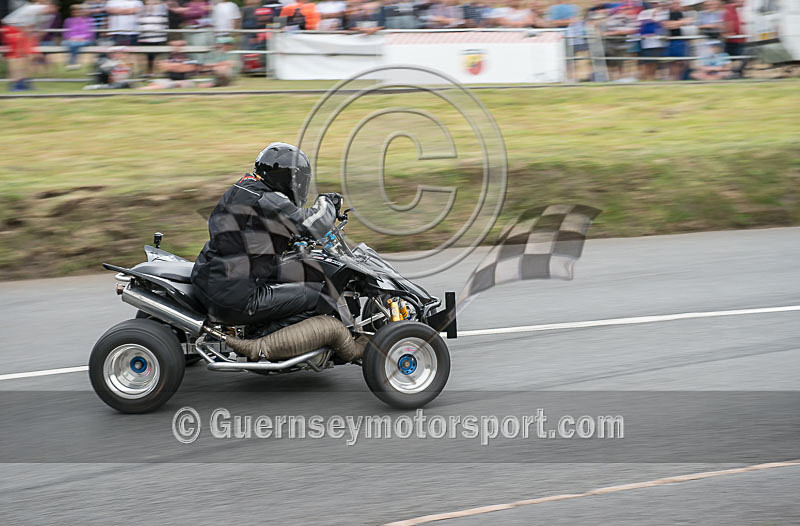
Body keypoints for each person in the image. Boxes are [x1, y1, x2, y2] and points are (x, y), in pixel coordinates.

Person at [191, 143, 343, 327]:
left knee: (297, 272)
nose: (301, 186)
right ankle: (265, 345)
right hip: (234, 296)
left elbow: (251, 232)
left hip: (214, 278)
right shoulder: (265, 199)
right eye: (299, 180)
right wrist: (327, 203)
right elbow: (312, 223)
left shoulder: (245, 188)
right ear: (286, 178)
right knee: (318, 296)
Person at [138, 0, 169, 74]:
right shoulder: (141, 8)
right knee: (147, 57)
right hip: (145, 37)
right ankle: (148, 73)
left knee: (157, 57)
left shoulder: (162, 7)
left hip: (159, 37)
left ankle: (156, 72)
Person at [62, 3, 96, 69]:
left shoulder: (89, 20)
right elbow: (65, 33)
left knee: (73, 44)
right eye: (74, 10)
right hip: (71, 40)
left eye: (78, 10)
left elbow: (91, 33)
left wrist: (81, 38)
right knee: (68, 43)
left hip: (86, 40)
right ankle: (75, 63)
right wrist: (72, 38)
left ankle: (72, 63)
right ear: (71, 12)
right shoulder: (68, 20)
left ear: (82, 11)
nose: (76, 12)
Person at [663, 0, 688, 80]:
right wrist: (681, 22)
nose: (676, 5)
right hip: (672, 41)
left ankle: (678, 78)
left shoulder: (681, 13)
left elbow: (686, 22)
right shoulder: (668, 14)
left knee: (681, 62)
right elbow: (668, 25)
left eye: (678, 3)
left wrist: (675, 23)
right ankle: (673, 78)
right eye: (674, 3)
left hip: (681, 41)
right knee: (673, 62)